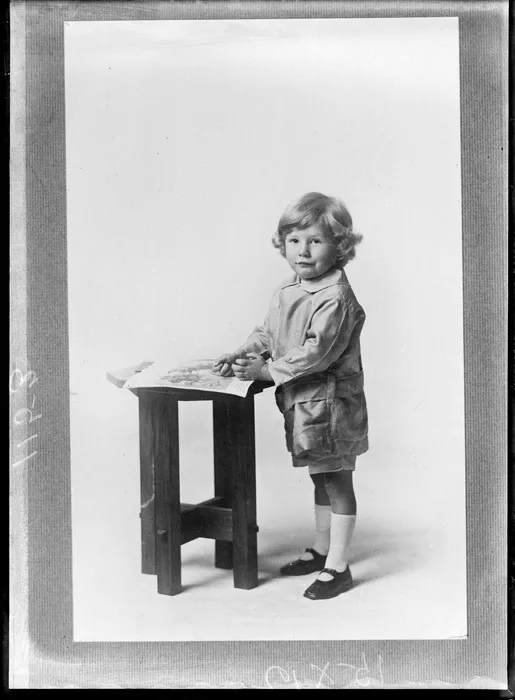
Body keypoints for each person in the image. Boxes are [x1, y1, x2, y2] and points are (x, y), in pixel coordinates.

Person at [213, 192, 368, 600]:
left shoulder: (336, 297)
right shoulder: (290, 286)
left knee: (335, 479)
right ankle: (322, 550)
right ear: (283, 243)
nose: (303, 250)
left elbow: (316, 352)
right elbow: (269, 332)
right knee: (319, 475)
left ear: (340, 247)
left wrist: (266, 371)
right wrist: (246, 352)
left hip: (332, 404)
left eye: (315, 241)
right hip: (304, 401)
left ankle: (339, 566)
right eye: (295, 240)